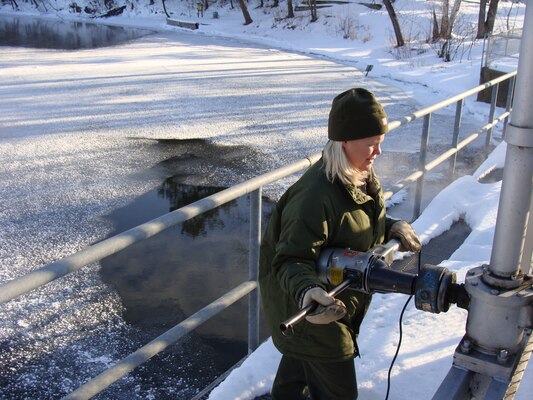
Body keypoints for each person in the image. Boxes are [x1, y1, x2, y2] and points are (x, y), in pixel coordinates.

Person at [258, 88, 422, 400]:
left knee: (297, 371)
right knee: (338, 389)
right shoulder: (314, 197)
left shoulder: (358, 174)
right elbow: (290, 260)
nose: (378, 152)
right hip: (311, 307)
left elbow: (350, 224)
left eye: (381, 142)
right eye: (371, 144)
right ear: (344, 140)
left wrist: (391, 227)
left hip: (331, 302)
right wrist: (308, 291)